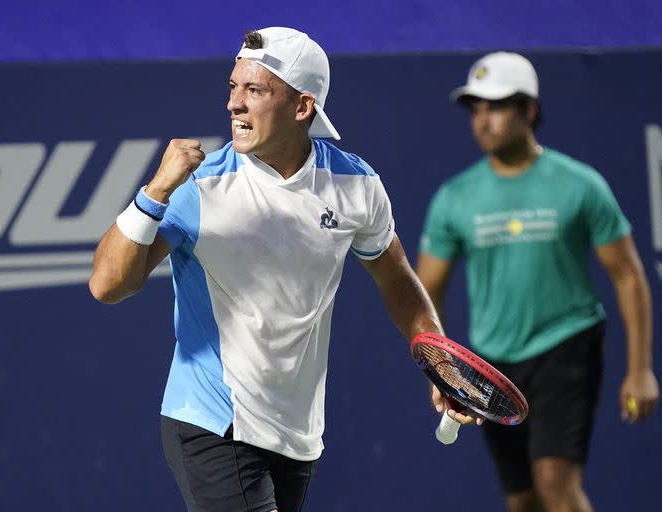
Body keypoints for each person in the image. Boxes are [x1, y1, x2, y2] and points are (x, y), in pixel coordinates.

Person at [88, 27, 476, 512]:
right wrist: (155, 191)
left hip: (296, 430)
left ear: (302, 107)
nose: (234, 104)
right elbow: (107, 285)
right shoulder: (200, 187)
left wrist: (438, 362)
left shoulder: (356, 185)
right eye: (233, 87)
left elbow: (395, 276)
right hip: (213, 419)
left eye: (254, 90)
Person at [416, 51, 659, 512]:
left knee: (555, 482)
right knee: (523, 499)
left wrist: (640, 369)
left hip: (567, 346)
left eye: (496, 107)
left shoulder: (581, 185)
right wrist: (445, 371)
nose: (483, 121)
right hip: (492, 362)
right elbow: (427, 292)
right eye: (476, 109)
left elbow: (628, 275)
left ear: (528, 110)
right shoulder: (454, 198)